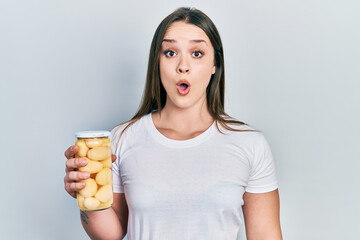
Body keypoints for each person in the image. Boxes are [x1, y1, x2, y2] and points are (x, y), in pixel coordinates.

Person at [64, 7, 282, 240]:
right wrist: (87, 195)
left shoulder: (250, 144)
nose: (183, 66)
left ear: (214, 66)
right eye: (170, 53)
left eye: (197, 53)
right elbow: (110, 235)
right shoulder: (122, 138)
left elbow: (265, 235)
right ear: (157, 63)